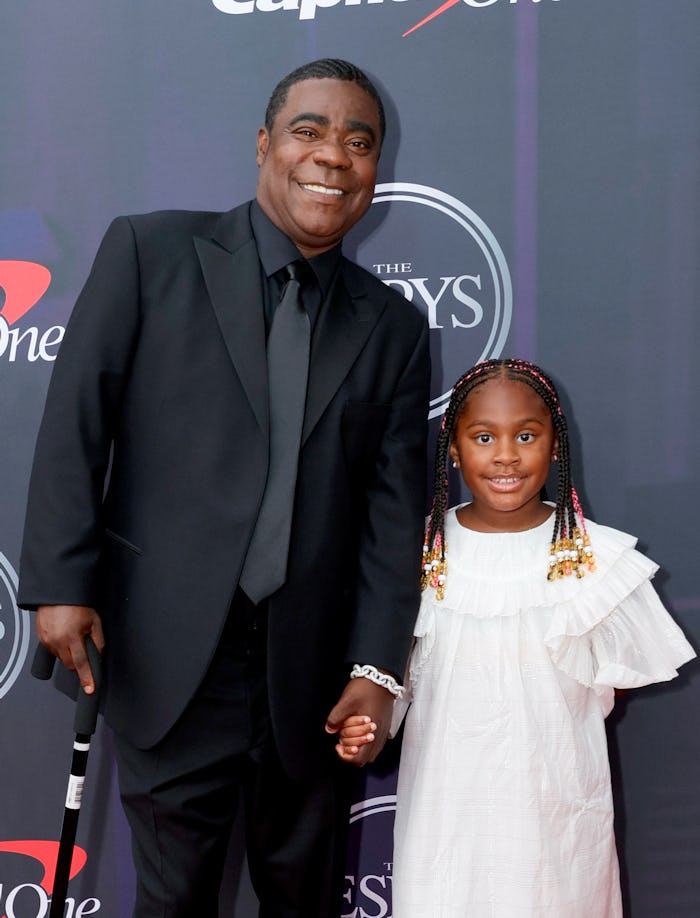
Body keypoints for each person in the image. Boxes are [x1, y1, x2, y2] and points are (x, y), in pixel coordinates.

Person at [19, 59, 430, 917]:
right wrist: (60, 582)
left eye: (359, 143)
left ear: (375, 169)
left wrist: (377, 668)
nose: (333, 156)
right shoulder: (152, 253)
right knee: (173, 900)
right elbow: (76, 420)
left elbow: (393, 516)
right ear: (264, 144)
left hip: (311, 680)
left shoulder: (392, 325)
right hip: (167, 660)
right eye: (309, 132)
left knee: (302, 899)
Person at [335, 358, 695, 917]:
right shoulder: (416, 557)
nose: (506, 455)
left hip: (555, 826)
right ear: (454, 449)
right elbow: (393, 684)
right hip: (445, 822)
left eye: (526, 436)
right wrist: (370, 727)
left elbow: (615, 684)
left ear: (555, 445)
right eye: (484, 437)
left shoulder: (597, 561)